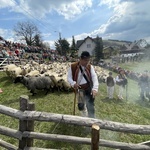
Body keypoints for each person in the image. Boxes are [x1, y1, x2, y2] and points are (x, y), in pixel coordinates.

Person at [67, 51, 99, 118]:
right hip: (80, 89)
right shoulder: (73, 66)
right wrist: (73, 83)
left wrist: (95, 89)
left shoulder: (90, 67)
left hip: (88, 88)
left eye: (88, 60)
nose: (87, 62)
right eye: (85, 60)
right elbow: (69, 78)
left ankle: (92, 120)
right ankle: (84, 115)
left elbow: (94, 77)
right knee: (81, 106)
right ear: (80, 59)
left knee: (90, 105)